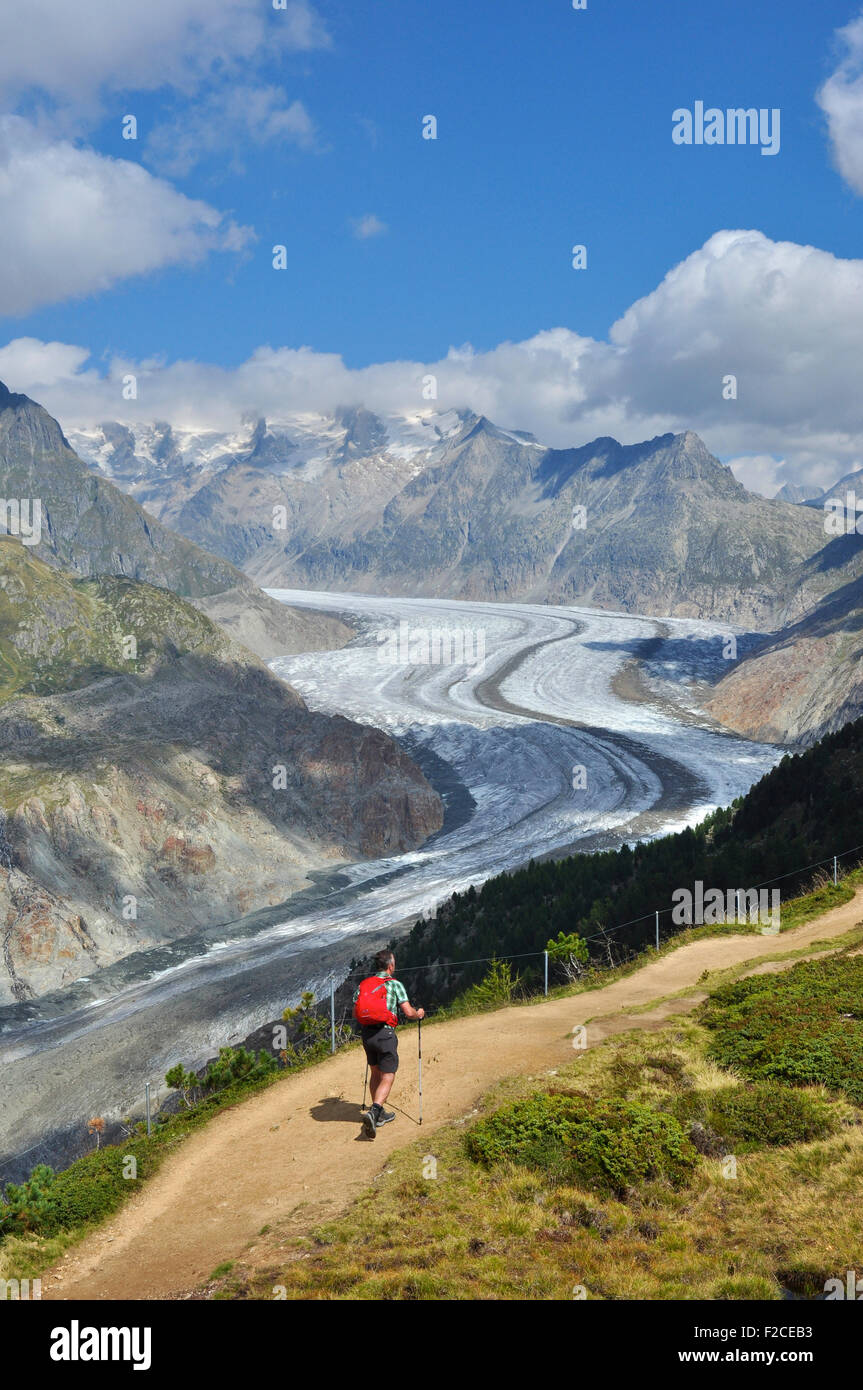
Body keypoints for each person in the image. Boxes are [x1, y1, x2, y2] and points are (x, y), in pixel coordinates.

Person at [354, 949, 424, 1138]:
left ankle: (379, 1112)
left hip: (367, 1034)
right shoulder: (394, 984)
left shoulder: (364, 984)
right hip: (385, 1033)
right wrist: (419, 1013)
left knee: (375, 1072)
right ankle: (375, 1111)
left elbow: (356, 1006)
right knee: (388, 1075)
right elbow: (409, 1013)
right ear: (390, 966)